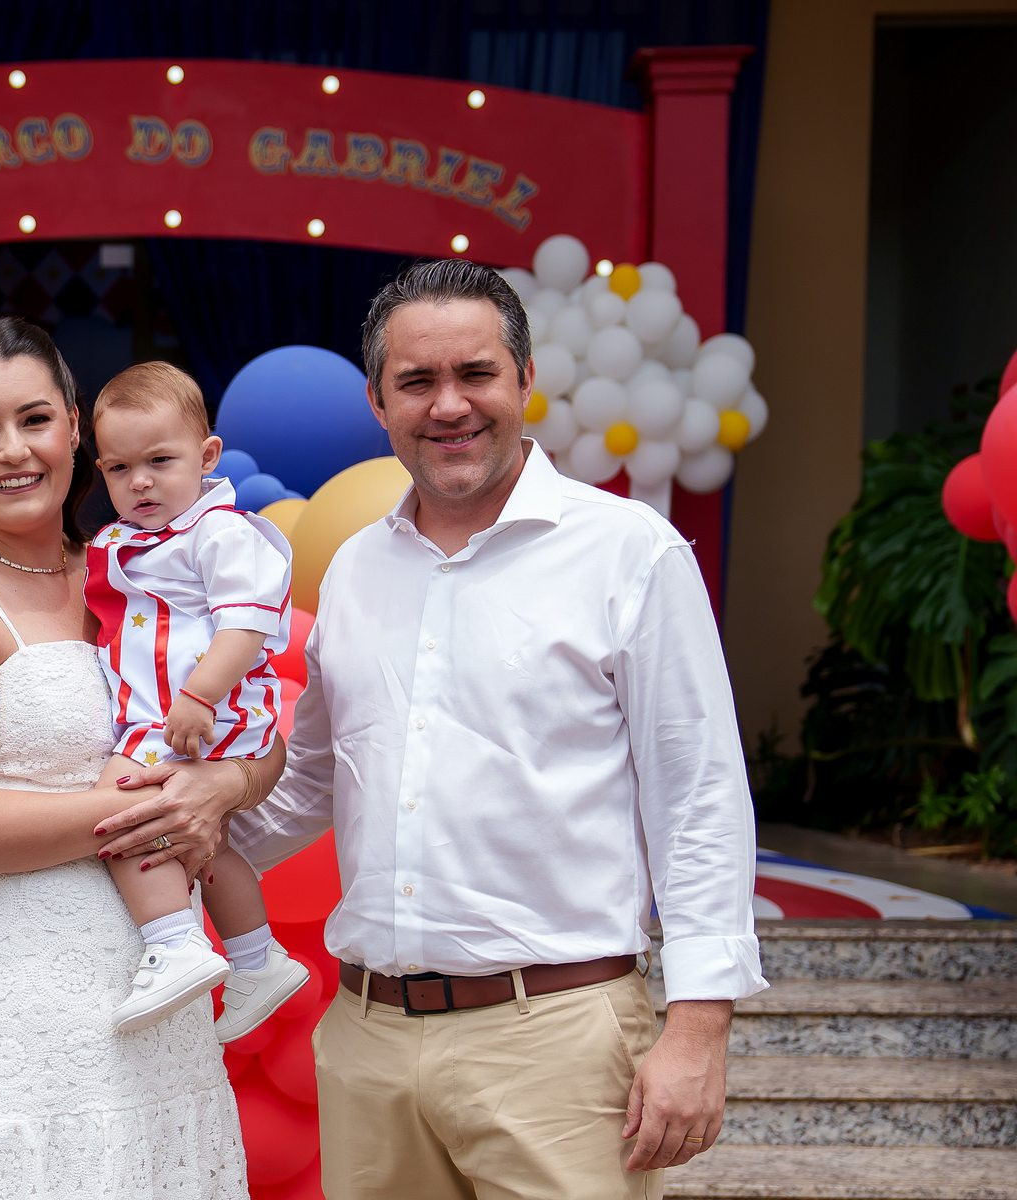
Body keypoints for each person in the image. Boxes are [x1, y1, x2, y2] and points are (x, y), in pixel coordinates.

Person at [224, 259, 768, 1199]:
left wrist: (698, 1027)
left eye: (476, 373)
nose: (450, 405)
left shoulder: (628, 552)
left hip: (557, 1039)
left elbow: (699, 797)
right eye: (417, 382)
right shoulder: (353, 569)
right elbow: (314, 779)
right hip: (368, 1044)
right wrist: (172, 838)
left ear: (524, 381)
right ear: (377, 402)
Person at [0, 318, 274, 1198]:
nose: (13, 449)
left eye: (34, 419)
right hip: (28, 986)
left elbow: (255, 732)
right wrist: (158, 808)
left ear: (73, 428)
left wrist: (226, 783)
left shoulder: (133, 565)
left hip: (164, 972)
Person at [85, 361, 311, 1038]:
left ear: (207, 456)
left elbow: (245, 624)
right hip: (171, 714)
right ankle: (257, 959)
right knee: (209, 844)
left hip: (197, 714)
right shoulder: (128, 541)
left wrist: (199, 696)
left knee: (119, 809)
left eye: (160, 461)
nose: (141, 481)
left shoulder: (221, 532)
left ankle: (174, 943)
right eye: (120, 468)